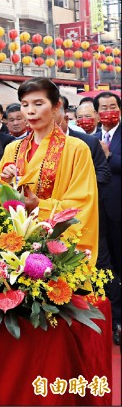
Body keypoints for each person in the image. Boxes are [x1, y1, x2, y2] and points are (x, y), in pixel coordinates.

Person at [0, 78, 98, 266]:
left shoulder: (76, 148)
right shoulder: (13, 149)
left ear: (56, 105)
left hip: (55, 250)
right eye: (25, 105)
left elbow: (82, 204)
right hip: (15, 248)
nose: (30, 111)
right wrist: (7, 186)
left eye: (38, 104)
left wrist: (38, 205)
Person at [93, 91, 121, 345]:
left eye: (113, 106)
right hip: (97, 213)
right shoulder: (90, 139)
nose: (108, 111)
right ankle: (111, 319)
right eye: (104, 107)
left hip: (118, 209)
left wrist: (109, 156)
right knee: (106, 265)